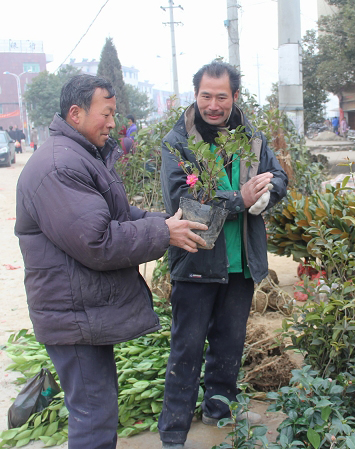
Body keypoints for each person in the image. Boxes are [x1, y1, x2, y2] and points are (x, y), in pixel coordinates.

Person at [15, 74, 208, 449]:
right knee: (93, 418)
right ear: (76, 114)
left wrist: (163, 221)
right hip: (72, 316)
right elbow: (97, 241)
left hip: (80, 312)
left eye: (114, 114)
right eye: (105, 114)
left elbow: (115, 214)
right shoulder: (60, 166)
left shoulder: (80, 155)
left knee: (96, 410)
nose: (112, 123)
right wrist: (162, 232)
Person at [159, 60, 288, 449]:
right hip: (196, 259)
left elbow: (278, 174)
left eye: (221, 96)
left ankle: (219, 409)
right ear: (195, 95)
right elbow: (181, 200)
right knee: (187, 347)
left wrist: (268, 193)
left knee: (229, 342)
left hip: (240, 261)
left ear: (234, 96)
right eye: (205, 96)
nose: (212, 105)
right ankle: (173, 431)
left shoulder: (251, 137)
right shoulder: (178, 142)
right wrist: (239, 199)